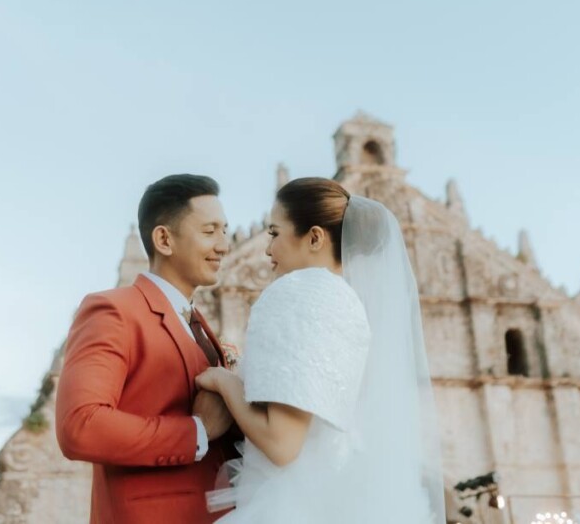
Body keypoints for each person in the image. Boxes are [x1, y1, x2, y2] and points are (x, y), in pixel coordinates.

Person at [197, 177, 445, 522]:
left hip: (287, 506)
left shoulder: (296, 292)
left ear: (314, 237)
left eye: (274, 233)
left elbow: (281, 445)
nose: (268, 249)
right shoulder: (350, 304)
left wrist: (225, 382)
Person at [55, 174, 239, 524]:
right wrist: (196, 431)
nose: (223, 245)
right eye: (209, 231)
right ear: (164, 239)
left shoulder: (196, 320)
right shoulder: (113, 310)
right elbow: (80, 425)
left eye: (225, 231)